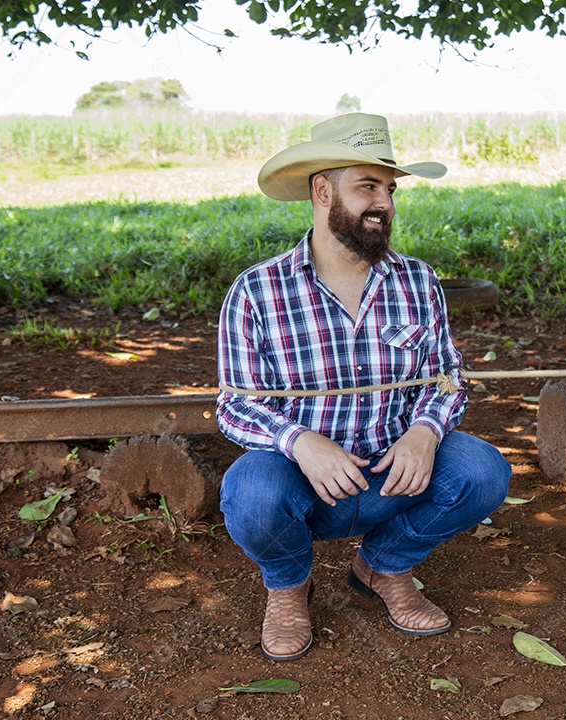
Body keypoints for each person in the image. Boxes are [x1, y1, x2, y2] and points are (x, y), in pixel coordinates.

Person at [216, 113, 511, 661]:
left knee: (483, 471)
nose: (385, 204)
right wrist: (302, 443)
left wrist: (425, 431)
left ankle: (383, 567)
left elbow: (447, 377)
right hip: (304, 484)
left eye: (391, 189)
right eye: (367, 187)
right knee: (251, 492)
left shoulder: (417, 280)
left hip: (392, 475)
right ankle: (287, 588)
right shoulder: (256, 290)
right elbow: (234, 404)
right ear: (322, 191)